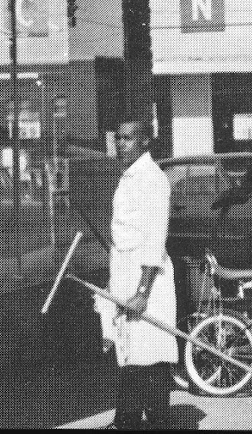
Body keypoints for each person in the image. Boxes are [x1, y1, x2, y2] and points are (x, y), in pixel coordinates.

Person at [97, 118, 176, 429]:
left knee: (150, 354)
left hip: (149, 280)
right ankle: (128, 420)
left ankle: (148, 421)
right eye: (118, 138)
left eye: (128, 138)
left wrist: (143, 291)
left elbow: (154, 237)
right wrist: (114, 280)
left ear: (146, 142)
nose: (120, 144)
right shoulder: (129, 177)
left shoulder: (152, 179)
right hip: (127, 274)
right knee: (132, 352)